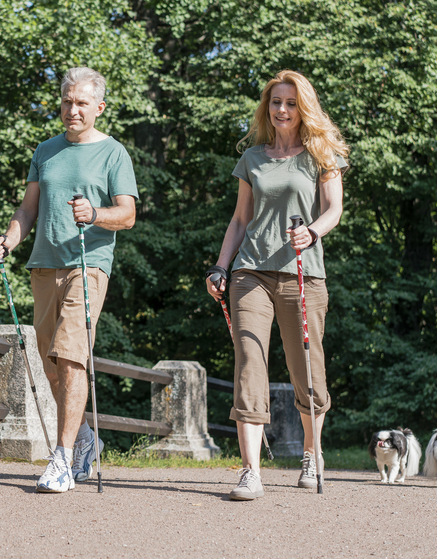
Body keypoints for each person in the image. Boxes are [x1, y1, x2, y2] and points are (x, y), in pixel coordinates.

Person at [0, 67, 138, 493]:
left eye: (82, 103)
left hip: (88, 265)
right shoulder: (46, 150)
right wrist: (8, 240)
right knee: (53, 365)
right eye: (67, 102)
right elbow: (27, 210)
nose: (73, 110)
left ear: (99, 108)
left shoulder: (113, 153)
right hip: (44, 266)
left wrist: (95, 214)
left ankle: (62, 458)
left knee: (72, 356)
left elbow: (126, 215)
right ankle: (85, 439)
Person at [206, 70, 349, 501]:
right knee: (250, 361)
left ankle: (311, 452)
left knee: (306, 367)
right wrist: (220, 267)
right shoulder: (253, 158)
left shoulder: (321, 154)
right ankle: (251, 470)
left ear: (302, 107)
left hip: (304, 273)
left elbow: (334, 209)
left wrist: (313, 232)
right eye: (275, 102)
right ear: (267, 108)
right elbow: (240, 219)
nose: (281, 110)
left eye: (289, 103)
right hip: (250, 273)